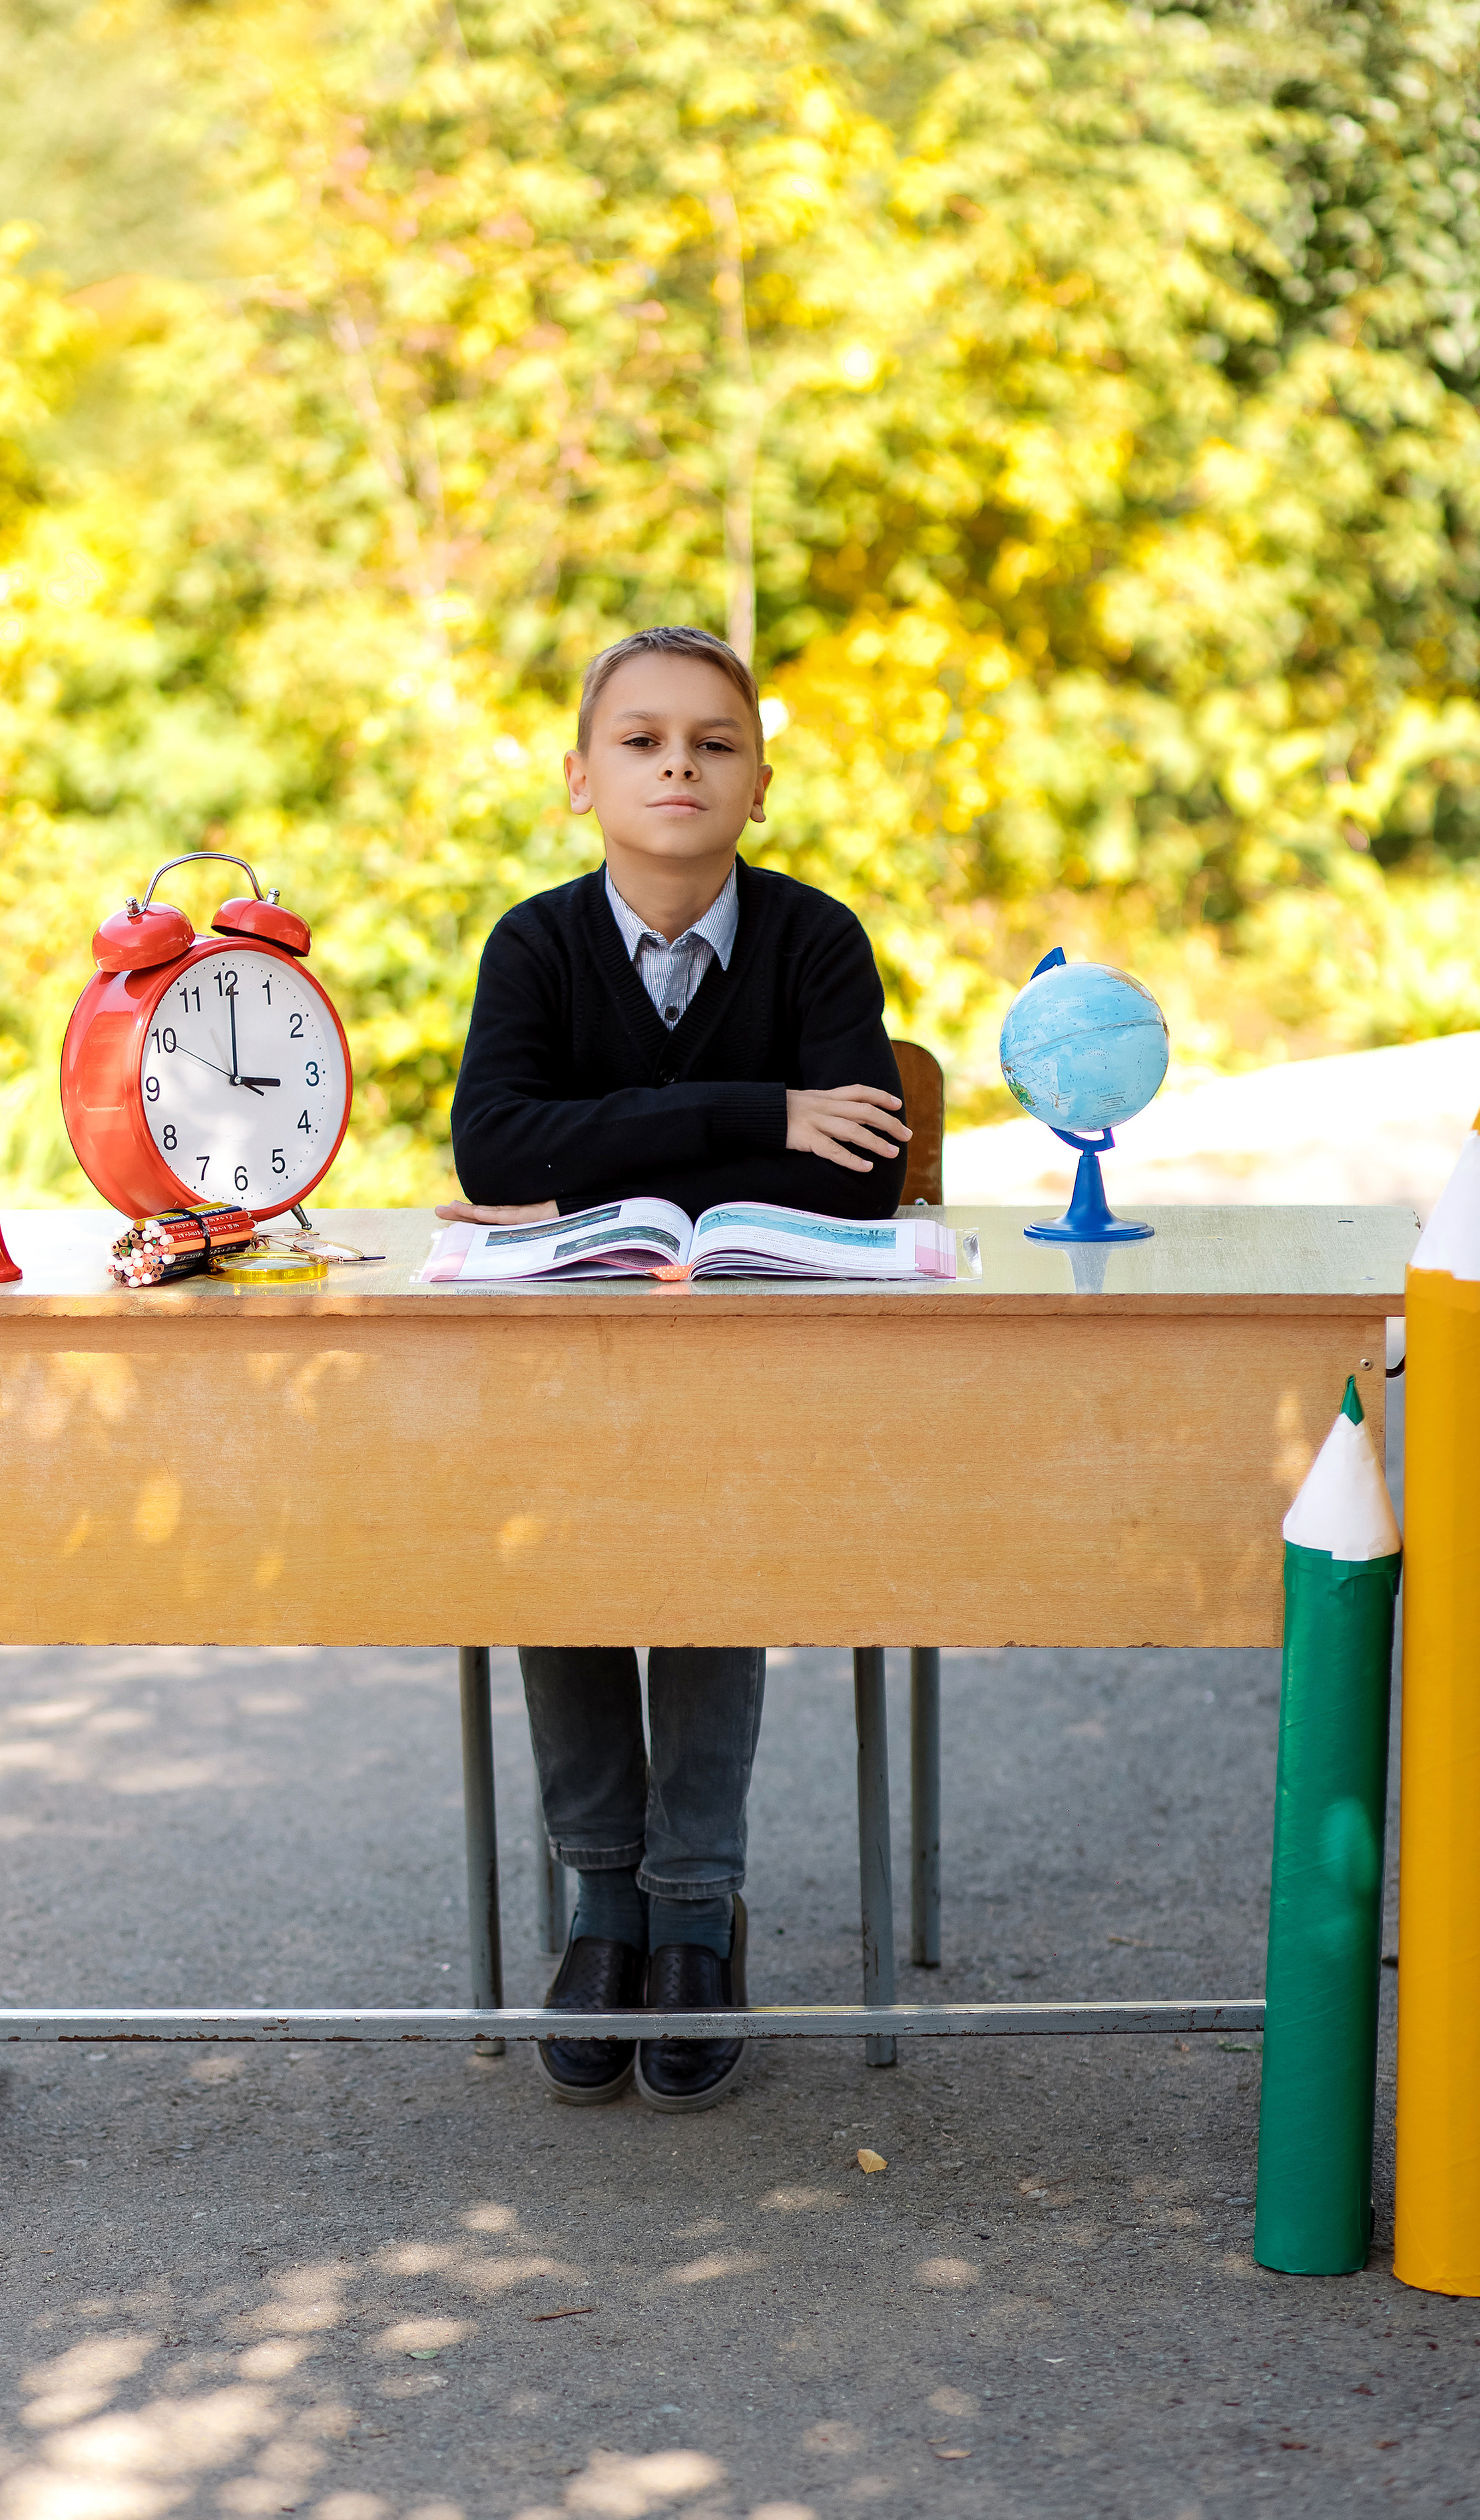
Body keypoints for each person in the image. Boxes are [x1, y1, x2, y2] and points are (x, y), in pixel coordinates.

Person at [440, 625, 909, 2112]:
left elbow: (859, 1186)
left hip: (759, 1376)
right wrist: (757, 1108)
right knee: (560, 1544)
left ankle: (694, 1906)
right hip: (565, 1374)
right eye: (640, 741)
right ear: (580, 779)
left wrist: (611, 1141)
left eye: (713, 742)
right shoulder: (533, 944)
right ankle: (605, 1906)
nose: (676, 766)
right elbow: (489, 1150)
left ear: (759, 783)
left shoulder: (813, 939)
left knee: (709, 1538)